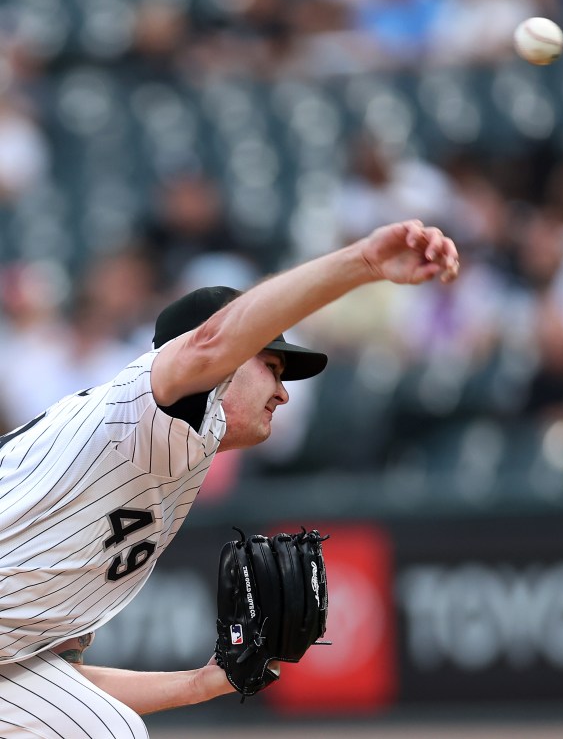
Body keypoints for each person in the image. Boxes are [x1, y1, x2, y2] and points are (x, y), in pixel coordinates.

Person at [0, 219, 459, 737]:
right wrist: (363, 263)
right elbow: (207, 346)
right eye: (271, 366)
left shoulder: (169, 454)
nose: (283, 393)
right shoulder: (141, 413)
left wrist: (202, 682)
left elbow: (55, 684)